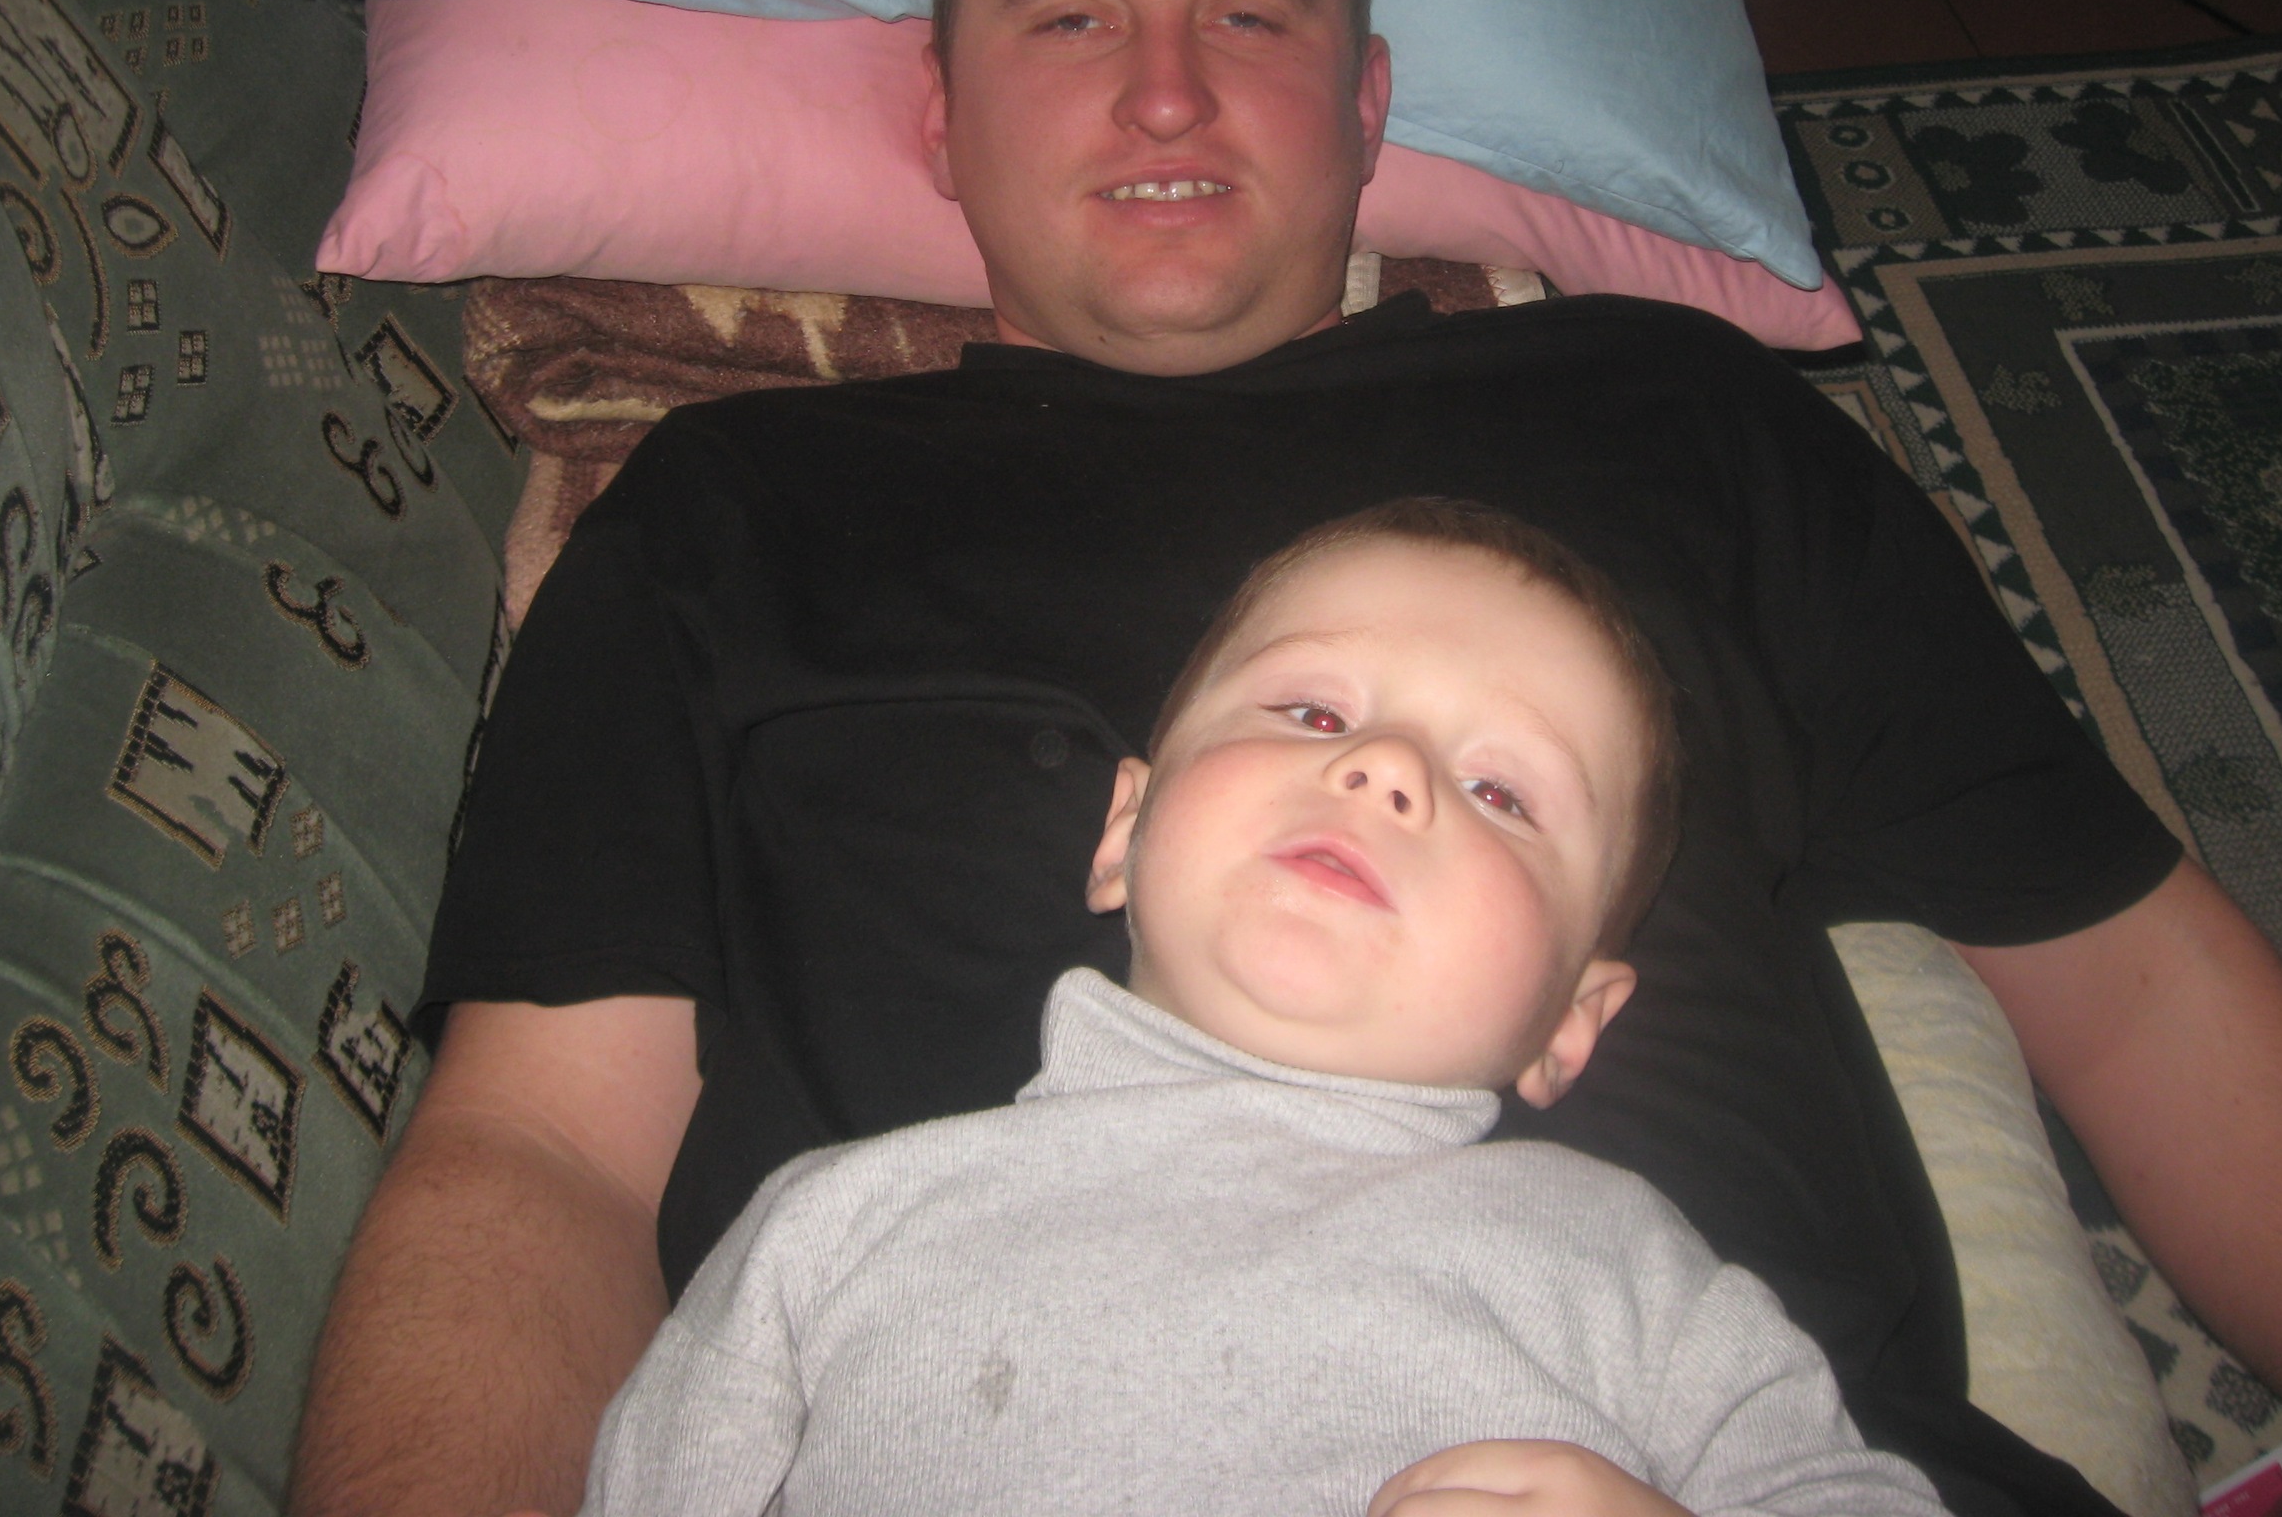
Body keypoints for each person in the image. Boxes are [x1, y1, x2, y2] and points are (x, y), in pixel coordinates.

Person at [290, 0, 2282, 1517]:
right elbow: (537, 1160)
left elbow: (2128, 976)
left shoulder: (1660, 406)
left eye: (1250, 16)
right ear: (937, 115)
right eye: (1067, 19)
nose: (1162, 95)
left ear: (1367, 103)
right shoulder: (729, 511)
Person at [577, 501, 1952, 1517]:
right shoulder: (837, 1221)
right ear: (1126, 830)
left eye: (1500, 792)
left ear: (1569, 1024)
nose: (1387, 767)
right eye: (1311, 713)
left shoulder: (1624, 1262)